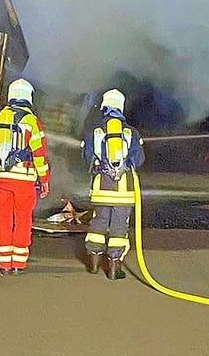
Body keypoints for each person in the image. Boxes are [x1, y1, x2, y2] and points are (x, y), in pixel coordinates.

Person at [0, 79, 50, 275]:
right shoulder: (32, 122)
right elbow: (39, 155)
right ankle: (19, 263)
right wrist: (44, 180)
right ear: (28, 97)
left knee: (3, 218)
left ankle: (4, 265)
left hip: (1, 178)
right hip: (25, 181)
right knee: (23, 219)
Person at [82, 89, 144, 280]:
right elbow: (139, 159)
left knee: (99, 222)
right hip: (124, 189)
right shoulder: (131, 133)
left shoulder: (95, 131)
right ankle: (114, 268)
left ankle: (93, 263)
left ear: (104, 107)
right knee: (119, 227)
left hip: (102, 187)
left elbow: (87, 158)